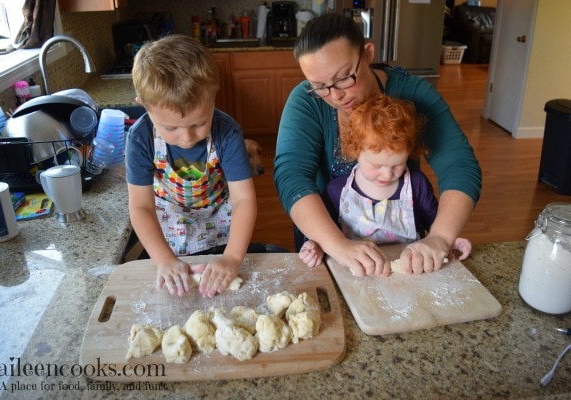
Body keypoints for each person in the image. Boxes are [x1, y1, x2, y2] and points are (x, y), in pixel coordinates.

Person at [274, 13, 481, 276]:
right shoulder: (306, 102)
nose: (335, 96)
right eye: (320, 86)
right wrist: (336, 245)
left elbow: (459, 166)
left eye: (343, 78)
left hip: (404, 254)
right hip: (327, 243)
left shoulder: (414, 93)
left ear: (368, 54)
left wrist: (440, 237)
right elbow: (292, 178)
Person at [126, 35, 257, 298]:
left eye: (199, 123)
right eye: (171, 128)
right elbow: (140, 206)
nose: (186, 138)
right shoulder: (140, 139)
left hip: (221, 225)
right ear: (145, 106)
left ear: (214, 96)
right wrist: (164, 260)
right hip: (171, 227)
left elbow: (244, 199)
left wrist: (231, 257)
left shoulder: (227, 133)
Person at [298, 94, 472, 271]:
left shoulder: (416, 184)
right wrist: (316, 245)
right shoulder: (338, 190)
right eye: (377, 165)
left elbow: (435, 222)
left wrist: (447, 240)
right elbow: (326, 230)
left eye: (397, 164)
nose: (387, 174)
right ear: (355, 151)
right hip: (358, 273)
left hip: (410, 272)